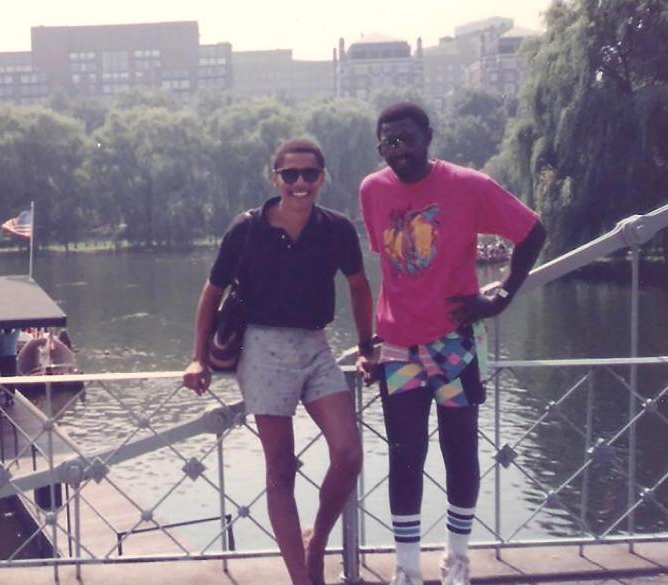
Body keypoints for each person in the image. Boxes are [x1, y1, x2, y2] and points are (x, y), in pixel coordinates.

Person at [358, 102, 546, 585]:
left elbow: (532, 231)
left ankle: (456, 558)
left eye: (406, 139)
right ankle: (406, 568)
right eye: (387, 143)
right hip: (398, 347)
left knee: (460, 451)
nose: (397, 151)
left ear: (429, 137)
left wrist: (501, 295)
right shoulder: (372, 190)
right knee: (405, 455)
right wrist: (372, 341)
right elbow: (393, 268)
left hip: (454, 344)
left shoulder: (468, 186)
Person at [183, 138, 377, 585]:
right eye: (290, 174)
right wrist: (197, 359)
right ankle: (303, 580)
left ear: (322, 177)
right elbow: (211, 293)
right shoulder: (247, 229)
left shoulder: (336, 228)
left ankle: (318, 541)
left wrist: (367, 349)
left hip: (316, 344)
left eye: (310, 174)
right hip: (262, 347)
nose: (300, 183)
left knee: (348, 454)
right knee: (281, 468)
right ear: (276, 179)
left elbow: (360, 287)